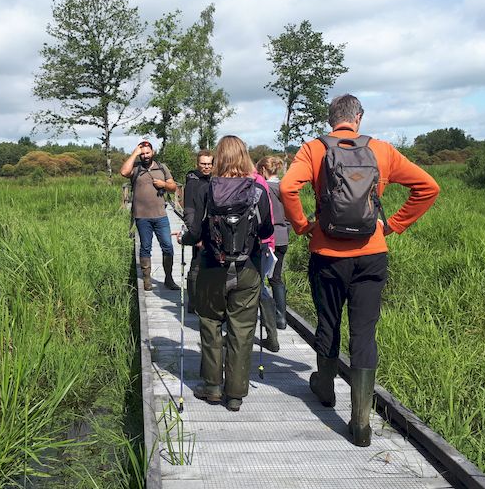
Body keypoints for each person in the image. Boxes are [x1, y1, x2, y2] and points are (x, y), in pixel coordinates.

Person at [280, 94, 439, 446]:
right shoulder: (381, 151)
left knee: (328, 322)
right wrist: (392, 225)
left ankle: (324, 388)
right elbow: (429, 187)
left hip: (327, 252)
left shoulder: (313, 149)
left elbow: (288, 187)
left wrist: (304, 225)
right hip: (372, 254)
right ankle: (362, 423)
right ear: (359, 118)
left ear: (330, 120)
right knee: (364, 334)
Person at [179, 136, 273, 412]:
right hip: (247, 270)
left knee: (210, 324)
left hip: (212, 268)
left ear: (218, 158)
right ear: (245, 157)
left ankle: (212, 388)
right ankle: (235, 394)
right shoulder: (257, 190)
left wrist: (185, 239)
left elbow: (194, 232)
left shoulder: (207, 188)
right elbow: (267, 231)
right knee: (242, 331)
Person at [121, 140, 181, 291]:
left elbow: (173, 188)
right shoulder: (135, 169)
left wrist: (164, 185)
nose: (145, 155)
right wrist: (135, 152)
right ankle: (147, 280)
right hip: (142, 217)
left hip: (161, 216)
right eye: (143, 153)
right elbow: (123, 172)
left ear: (153, 152)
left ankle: (168, 278)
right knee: (145, 248)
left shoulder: (162, 167)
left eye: (148, 152)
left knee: (167, 247)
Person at [256, 156, 290, 329]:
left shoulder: (262, 188)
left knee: (259, 279)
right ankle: (281, 318)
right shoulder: (285, 188)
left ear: (262, 169)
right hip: (283, 236)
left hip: (267, 238)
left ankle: (266, 319)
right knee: (276, 279)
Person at [182, 149, 213, 313]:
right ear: (197, 164)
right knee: (196, 266)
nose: (206, 167)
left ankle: (205, 299)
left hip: (213, 230)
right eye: (203, 164)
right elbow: (189, 211)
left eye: (209, 164)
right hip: (198, 230)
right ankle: (193, 303)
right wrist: (196, 235)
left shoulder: (213, 180)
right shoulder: (193, 182)